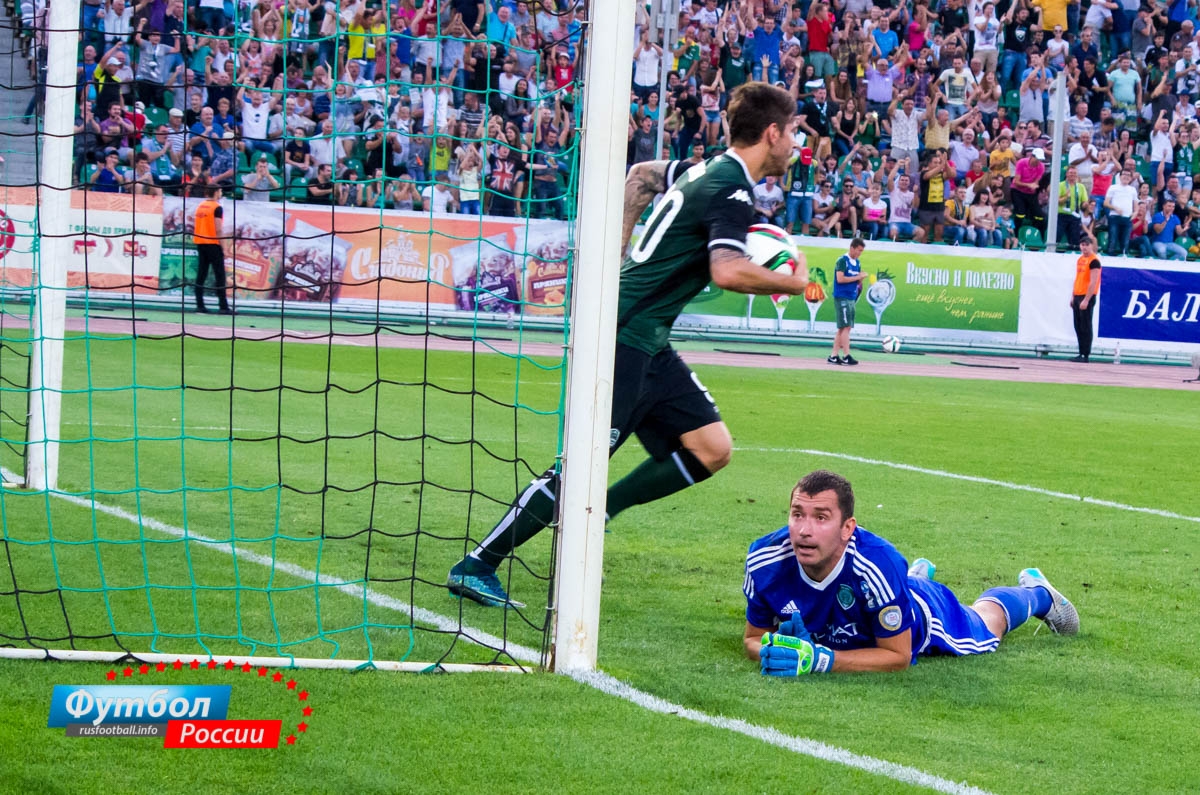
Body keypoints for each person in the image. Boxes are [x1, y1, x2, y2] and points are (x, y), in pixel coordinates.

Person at [445, 82, 810, 608]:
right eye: (793, 130)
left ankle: (601, 513)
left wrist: (617, 255)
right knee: (580, 466)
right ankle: (477, 564)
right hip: (624, 337)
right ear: (772, 133)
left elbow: (640, 177)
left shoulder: (703, 170)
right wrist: (793, 283)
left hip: (648, 338)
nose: (796, 142)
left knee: (712, 448)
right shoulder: (732, 188)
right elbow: (727, 270)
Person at [744, 470, 1079, 677]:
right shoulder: (764, 561)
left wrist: (821, 660)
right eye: (797, 514)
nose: (804, 530)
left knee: (988, 624)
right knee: (891, 589)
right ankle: (913, 579)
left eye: (820, 517)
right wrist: (775, 648)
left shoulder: (875, 565)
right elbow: (752, 638)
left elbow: (898, 656)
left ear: (848, 528)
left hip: (925, 617)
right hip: (884, 595)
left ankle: (1039, 594)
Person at [192, 184, 231, 314]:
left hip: (201, 243)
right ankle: (223, 306)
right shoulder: (216, 207)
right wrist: (224, 247)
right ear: (216, 192)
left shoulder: (200, 206)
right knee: (220, 275)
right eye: (220, 191)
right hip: (213, 244)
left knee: (201, 275)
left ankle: (200, 305)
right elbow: (218, 229)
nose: (221, 193)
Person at [828, 238, 867, 366]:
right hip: (842, 296)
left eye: (861, 251)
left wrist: (861, 278)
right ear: (852, 248)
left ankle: (834, 355)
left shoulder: (857, 263)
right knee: (845, 327)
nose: (859, 253)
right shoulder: (842, 261)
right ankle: (846, 355)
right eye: (858, 250)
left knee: (845, 327)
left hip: (851, 297)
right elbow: (840, 279)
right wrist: (857, 277)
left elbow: (857, 281)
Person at [1070, 237, 1101, 363]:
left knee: (1085, 326)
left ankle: (1085, 354)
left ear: (1091, 245)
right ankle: (1081, 352)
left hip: (1086, 296)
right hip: (1078, 294)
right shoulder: (1080, 259)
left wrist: (1086, 299)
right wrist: (1073, 296)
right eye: (1082, 245)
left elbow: (1093, 282)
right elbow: (1077, 278)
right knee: (1078, 325)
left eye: (1086, 245)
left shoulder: (1094, 261)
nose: (1084, 247)